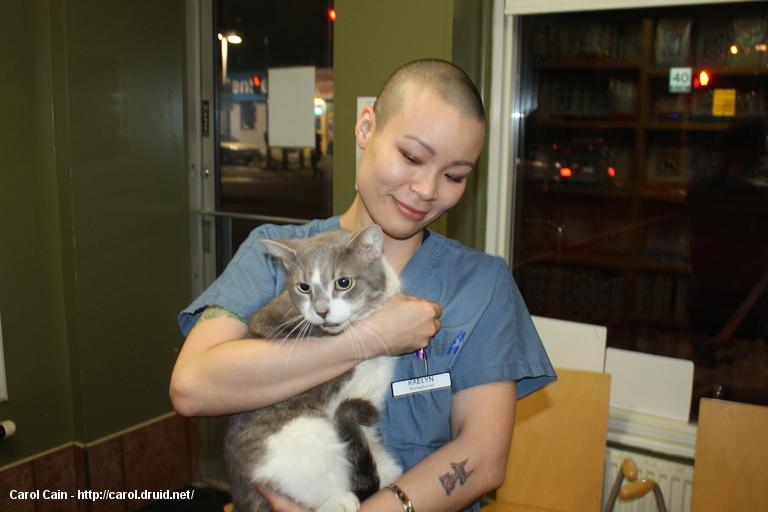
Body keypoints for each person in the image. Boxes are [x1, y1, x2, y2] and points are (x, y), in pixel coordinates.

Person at [170, 59, 555, 512]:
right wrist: (370, 339)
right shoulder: (275, 257)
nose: (427, 189)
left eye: (455, 175)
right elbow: (192, 386)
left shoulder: (481, 285)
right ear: (366, 128)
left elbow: (484, 458)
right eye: (412, 157)